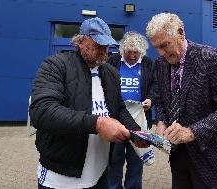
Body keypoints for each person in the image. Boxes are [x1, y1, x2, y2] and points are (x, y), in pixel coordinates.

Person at [30, 17, 146, 189]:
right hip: (61, 178)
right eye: (98, 44)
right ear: (81, 41)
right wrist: (97, 123)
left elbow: (119, 108)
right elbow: (42, 111)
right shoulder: (55, 65)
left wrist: (135, 132)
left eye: (106, 45)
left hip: (100, 174)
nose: (104, 50)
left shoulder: (111, 73)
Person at [146, 13, 217, 189]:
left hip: (211, 155)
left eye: (164, 45)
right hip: (178, 156)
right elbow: (160, 99)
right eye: (156, 47)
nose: (161, 53)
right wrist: (161, 122)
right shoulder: (160, 64)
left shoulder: (211, 58)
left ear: (180, 33)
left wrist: (192, 132)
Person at [107, 31, 155, 189]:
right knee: (115, 159)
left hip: (140, 120)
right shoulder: (113, 61)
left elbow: (156, 86)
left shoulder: (148, 63)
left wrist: (151, 99)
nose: (133, 56)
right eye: (129, 52)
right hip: (117, 120)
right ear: (123, 50)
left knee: (136, 160)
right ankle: (114, 186)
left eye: (136, 52)